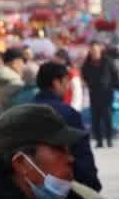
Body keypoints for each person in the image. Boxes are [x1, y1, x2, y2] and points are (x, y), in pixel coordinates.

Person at [24, 59, 99, 190]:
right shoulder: (69, 114)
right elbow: (81, 155)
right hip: (63, 187)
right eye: (65, 82)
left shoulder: (23, 111)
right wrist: (92, 184)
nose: (68, 86)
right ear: (56, 83)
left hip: (28, 184)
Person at [80, 39, 119, 148]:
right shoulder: (87, 63)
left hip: (107, 93)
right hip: (94, 94)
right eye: (92, 50)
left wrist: (115, 87)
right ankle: (99, 140)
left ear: (100, 50)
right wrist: (88, 84)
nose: (94, 52)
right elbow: (84, 75)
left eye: (96, 50)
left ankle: (109, 139)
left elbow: (115, 74)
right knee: (95, 118)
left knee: (107, 117)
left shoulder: (107, 60)